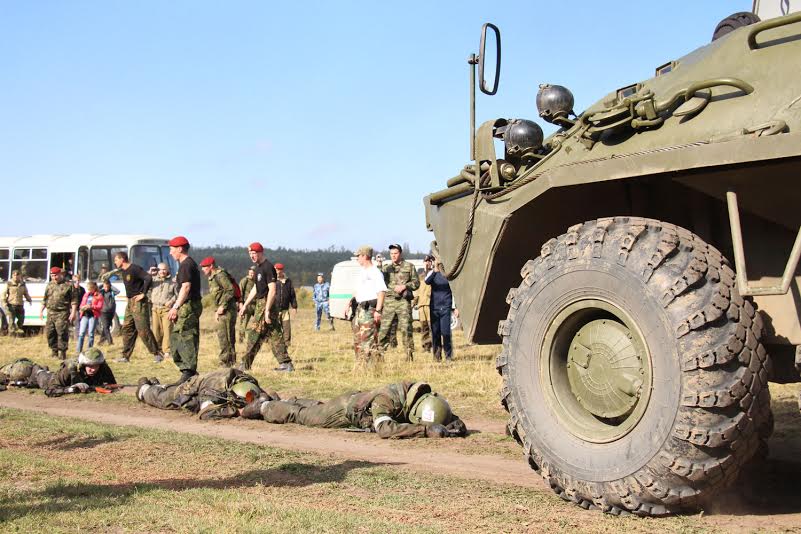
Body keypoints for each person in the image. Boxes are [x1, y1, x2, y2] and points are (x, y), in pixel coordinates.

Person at [241, 381, 467, 439]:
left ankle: (287, 400)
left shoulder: (418, 395)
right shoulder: (385, 401)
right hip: (344, 410)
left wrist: (453, 421)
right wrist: (425, 431)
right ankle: (264, 405)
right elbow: (386, 430)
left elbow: (435, 408)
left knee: (316, 408)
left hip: (354, 399)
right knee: (302, 416)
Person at [136, 368, 280, 420]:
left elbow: (260, 395)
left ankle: (157, 385)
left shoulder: (247, 383)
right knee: (165, 399)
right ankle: (144, 388)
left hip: (213, 382)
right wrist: (240, 411)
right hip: (193, 388)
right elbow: (206, 413)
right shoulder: (214, 390)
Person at [239, 242, 293, 372]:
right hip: (260, 303)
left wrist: (267, 310)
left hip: (265, 304)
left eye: (254, 253)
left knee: (254, 334)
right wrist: (245, 305)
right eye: (250, 254)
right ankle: (286, 364)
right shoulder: (258, 268)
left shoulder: (268, 267)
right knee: (274, 334)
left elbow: (272, 290)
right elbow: (255, 288)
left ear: (260, 252)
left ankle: (244, 364)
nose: (252, 256)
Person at [113, 251, 163, 364]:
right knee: (127, 328)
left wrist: (143, 293)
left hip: (139, 302)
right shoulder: (123, 271)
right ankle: (125, 356)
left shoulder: (134, 269)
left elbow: (148, 278)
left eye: (116, 259)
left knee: (143, 329)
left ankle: (157, 354)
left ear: (122, 259)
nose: (115, 262)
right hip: (130, 302)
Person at [0, 348, 117, 396]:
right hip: (38, 376)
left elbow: (112, 385)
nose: (93, 369)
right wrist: (70, 389)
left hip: (47, 374)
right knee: (20, 371)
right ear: (83, 364)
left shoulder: (103, 367)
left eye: (95, 366)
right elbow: (49, 390)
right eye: (89, 366)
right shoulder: (70, 369)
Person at [167, 236, 203, 383]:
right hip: (186, 305)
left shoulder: (186, 265)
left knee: (186, 337)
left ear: (180, 249)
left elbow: (186, 287)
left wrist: (176, 307)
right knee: (177, 338)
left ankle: (189, 372)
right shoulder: (185, 264)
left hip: (189, 306)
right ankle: (187, 371)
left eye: (172, 249)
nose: (170, 253)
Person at [377, 244, 419, 361]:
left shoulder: (409, 266)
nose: (393, 256)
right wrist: (379, 265)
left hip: (403, 302)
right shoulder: (386, 268)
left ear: (400, 253)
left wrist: (405, 286)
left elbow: (416, 283)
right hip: (389, 301)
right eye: (391, 254)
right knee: (384, 329)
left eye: (395, 253)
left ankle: (409, 355)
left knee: (406, 329)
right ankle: (380, 355)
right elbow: (378, 279)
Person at [348, 245, 386, 364]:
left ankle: (373, 367)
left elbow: (381, 292)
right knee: (358, 340)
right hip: (360, 310)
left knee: (368, 340)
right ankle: (361, 366)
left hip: (370, 310)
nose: (357, 258)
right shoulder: (362, 272)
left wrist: (378, 311)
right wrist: (349, 302)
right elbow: (357, 291)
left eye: (358, 256)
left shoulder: (375, 272)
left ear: (365, 256)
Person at [200, 256, 237, 367]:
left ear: (211, 266)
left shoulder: (220, 275)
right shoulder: (212, 277)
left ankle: (226, 362)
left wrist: (223, 306)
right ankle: (229, 361)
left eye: (204, 267)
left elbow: (230, 290)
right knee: (223, 335)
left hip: (227, 310)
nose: (202, 269)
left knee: (226, 336)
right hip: (222, 310)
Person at [41, 267, 79, 359]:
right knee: (50, 333)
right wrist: (41, 310)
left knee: (62, 333)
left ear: (60, 274)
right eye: (52, 275)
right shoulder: (49, 285)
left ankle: (62, 353)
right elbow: (45, 299)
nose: (54, 277)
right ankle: (54, 352)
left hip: (62, 313)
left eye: (55, 275)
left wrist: (73, 312)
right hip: (50, 313)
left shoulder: (68, 285)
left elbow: (74, 300)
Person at [425, 259, 458, 361]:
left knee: (446, 333)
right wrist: (435, 270)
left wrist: (456, 307)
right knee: (435, 333)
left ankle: (448, 356)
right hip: (434, 308)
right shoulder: (433, 273)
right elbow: (427, 281)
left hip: (446, 307)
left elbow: (455, 291)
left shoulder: (448, 274)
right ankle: (437, 356)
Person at [150, 262, 177, 359]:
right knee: (156, 331)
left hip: (166, 309)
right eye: (160, 269)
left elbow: (177, 295)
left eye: (164, 269)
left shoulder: (173, 281)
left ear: (168, 270)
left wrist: (171, 302)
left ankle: (167, 351)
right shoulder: (153, 280)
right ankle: (158, 350)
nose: (162, 271)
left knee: (167, 330)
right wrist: (150, 273)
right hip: (155, 308)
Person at [413, 257, 434, 353]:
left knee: (432, 327)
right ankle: (426, 346)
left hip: (431, 304)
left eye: (429, 261)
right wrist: (414, 302)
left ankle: (434, 345)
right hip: (422, 305)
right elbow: (417, 290)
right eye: (425, 261)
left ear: (431, 263)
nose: (427, 263)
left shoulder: (434, 274)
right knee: (424, 327)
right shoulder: (420, 276)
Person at [76, 281, 103, 354]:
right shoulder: (86, 295)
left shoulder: (99, 295)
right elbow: (82, 303)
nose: (89, 290)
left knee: (91, 333)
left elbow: (100, 306)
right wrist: (82, 307)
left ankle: (89, 350)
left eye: (90, 289)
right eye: (88, 289)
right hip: (85, 315)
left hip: (93, 315)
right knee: (81, 333)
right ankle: (78, 350)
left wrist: (91, 307)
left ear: (94, 288)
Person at [274, 263, 298, 345]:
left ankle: (287, 343)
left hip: (285, 309)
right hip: (274, 309)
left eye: (279, 269)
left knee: (286, 327)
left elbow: (292, 294)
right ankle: (275, 343)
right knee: (274, 327)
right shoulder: (272, 280)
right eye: (276, 269)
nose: (278, 271)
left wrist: (294, 307)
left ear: (282, 270)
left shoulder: (288, 281)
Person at [3, 270, 32, 336]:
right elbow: (4, 294)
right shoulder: (9, 284)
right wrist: (4, 303)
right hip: (11, 305)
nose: (16, 276)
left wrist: (29, 299)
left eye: (17, 275)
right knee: (11, 321)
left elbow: (26, 293)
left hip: (20, 304)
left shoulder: (22, 284)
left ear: (20, 276)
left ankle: (19, 332)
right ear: (12, 276)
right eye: (14, 275)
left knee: (21, 319)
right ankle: (11, 334)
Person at [98, 279, 119, 345]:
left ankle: (101, 341)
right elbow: (97, 289)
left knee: (106, 327)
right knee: (106, 327)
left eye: (107, 287)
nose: (106, 288)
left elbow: (118, 291)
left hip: (111, 312)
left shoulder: (112, 292)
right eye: (105, 287)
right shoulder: (101, 292)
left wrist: (111, 285)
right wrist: (102, 284)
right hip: (103, 312)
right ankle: (110, 342)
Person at [238, 266, 256, 343]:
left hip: (256, 305)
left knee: (259, 321)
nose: (252, 274)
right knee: (244, 323)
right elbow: (240, 293)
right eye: (250, 273)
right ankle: (241, 339)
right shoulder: (244, 281)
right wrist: (241, 304)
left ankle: (257, 339)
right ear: (248, 272)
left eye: (253, 273)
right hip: (246, 305)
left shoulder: (257, 281)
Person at [70, 275, 86, 340]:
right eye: (75, 281)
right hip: (70, 308)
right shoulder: (70, 289)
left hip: (78, 309)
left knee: (77, 323)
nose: (77, 282)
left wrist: (82, 308)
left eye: (78, 281)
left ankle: (76, 338)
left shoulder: (82, 289)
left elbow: (84, 299)